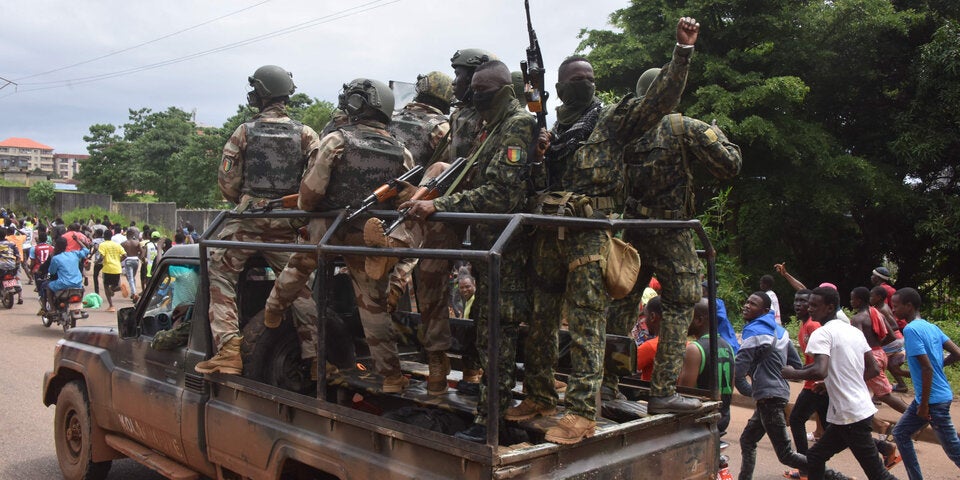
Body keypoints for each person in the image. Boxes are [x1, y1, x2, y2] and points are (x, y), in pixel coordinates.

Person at [399, 59, 535, 443]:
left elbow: (501, 194)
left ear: (503, 91)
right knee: (490, 332)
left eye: (482, 91)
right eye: (472, 91)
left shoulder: (517, 125)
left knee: (498, 336)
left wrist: (439, 205)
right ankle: (488, 414)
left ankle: (491, 422)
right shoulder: (492, 126)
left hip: (509, 247)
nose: (475, 98)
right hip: (491, 244)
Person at [267, 77, 414, 391]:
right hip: (367, 235)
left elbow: (309, 196)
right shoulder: (402, 151)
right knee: (373, 306)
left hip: (326, 228)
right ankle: (391, 376)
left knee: (297, 268)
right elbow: (404, 198)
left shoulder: (336, 140)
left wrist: (311, 207)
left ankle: (273, 309)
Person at [196, 65, 320, 377]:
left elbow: (227, 183)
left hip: (247, 223)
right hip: (287, 224)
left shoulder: (244, 132)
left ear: (261, 93)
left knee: (219, 271)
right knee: (298, 286)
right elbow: (316, 183)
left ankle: (228, 349)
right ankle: (317, 358)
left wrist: (246, 200)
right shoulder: (307, 135)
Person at [782, 287, 897, 480]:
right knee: (815, 456)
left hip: (850, 414)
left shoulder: (822, 333)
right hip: (854, 410)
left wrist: (793, 372)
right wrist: (832, 384)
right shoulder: (852, 331)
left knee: (878, 474)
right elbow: (873, 369)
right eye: (809, 304)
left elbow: (819, 370)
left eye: (814, 305)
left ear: (830, 307)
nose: (810, 309)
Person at [734, 292, 808, 480]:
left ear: (765, 310)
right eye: (747, 301)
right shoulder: (781, 332)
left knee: (786, 455)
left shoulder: (753, 332)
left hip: (769, 399)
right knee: (747, 440)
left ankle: (836, 477)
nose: (747, 305)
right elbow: (797, 365)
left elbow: (738, 372)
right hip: (776, 394)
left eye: (753, 304)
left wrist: (753, 388)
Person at [891, 287, 960, 480]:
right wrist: (938, 365)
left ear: (909, 306)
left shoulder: (911, 330)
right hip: (933, 397)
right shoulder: (931, 327)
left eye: (896, 306)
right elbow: (957, 353)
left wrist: (923, 405)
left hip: (932, 401)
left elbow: (927, 369)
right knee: (900, 433)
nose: (893, 310)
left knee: (954, 450)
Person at [785, 289, 828, 479]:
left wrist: (796, 373)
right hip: (815, 382)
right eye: (796, 300)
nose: (798, 304)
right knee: (835, 430)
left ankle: (805, 466)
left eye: (804, 301)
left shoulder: (813, 326)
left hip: (817, 384)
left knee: (796, 419)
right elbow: (812, 360)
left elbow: (824, 359)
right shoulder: (805, 326)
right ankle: (882, 447)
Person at [849, 286, 909, 417]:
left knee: (884, 395)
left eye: (852, 299)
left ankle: (916, 417)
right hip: (880, 354)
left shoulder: (857, 319)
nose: (851, 302)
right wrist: (877, 346)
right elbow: (892, 335)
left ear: (859, 300)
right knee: (858, 389)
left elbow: (857, 342)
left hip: (870, 359)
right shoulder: (877, 313)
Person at [679, 298, 734, 437]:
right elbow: (730, 388)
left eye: (687, 316)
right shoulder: (728, 346)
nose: (683, 321)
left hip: (699, 421)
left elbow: (684, 393)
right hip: (722, 417)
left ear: (699, 320)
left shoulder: (694, 349)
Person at [871, 286, 909, 391]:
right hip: (896, 339)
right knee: (890, 365)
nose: (870, 298)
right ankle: (902, 385)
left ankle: (880, 390)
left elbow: (894, 326)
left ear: (879, 297)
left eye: (872, 296)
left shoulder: (882, 309)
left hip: (893, 340)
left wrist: (882, 333)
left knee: (874, 360)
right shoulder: (881, 307)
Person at [43, 236, 91, 311]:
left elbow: (51, 272)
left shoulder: (56, 258)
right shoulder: (74, 254)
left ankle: (53, 308)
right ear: (66, 246)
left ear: (56, 246)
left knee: (48, 287)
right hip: (78, 284)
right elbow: (86, 250)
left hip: (63, 284)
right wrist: (77, 240)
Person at [635, 296, 663, 381]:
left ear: (652, 317)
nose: (644, 321)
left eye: (645, 316)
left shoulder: (650, 347)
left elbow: (624, 368)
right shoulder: (687, 344)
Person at [97, 234, 125, 312]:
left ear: (104, 237)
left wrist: (97, 262)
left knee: (106, 286)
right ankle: (118, 288)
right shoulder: (117, 245)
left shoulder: (102, 245)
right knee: (114, 286)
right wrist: (118, 261)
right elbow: (125, 255)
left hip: (108, 268)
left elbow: (101, 256)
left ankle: (111, 306)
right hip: (117, 268)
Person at [120, 228, 142, 302]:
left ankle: (134, 293)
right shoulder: (137, 242)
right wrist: (139, 257)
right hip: (136, 260)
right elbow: (141, 252)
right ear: (133, 235)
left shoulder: (124, 243)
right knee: (133, 277)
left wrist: (119, 261)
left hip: (128, 260)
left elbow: (121, 254)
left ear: (127, 235)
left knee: (130, 278)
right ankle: (133, 293)